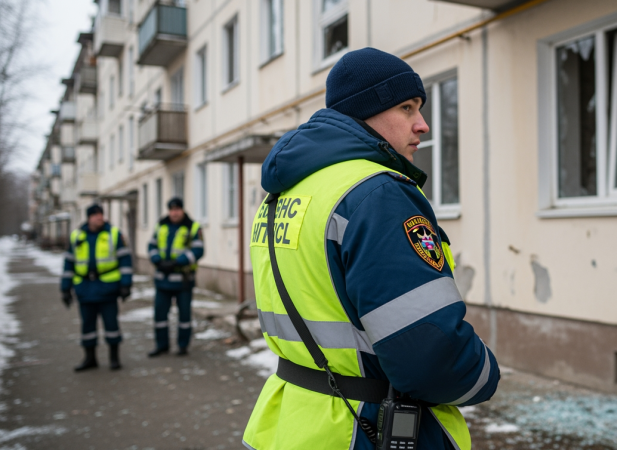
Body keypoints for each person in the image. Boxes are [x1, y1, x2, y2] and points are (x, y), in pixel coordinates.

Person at [243, 48, 499, 450]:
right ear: (365, 113)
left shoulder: (283, 196)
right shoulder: (377, 193)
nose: (423, 125)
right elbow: (427, 356)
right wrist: (484, 374)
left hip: (292, 421)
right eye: (407, 108)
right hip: (364, 427)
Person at [60, 204, 133, 371]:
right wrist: (65, 289)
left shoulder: (114, 234)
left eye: (101, 214)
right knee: (87, 326)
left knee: (111, 325)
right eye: (95, 215)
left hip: (108, 288)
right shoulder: (77, 236)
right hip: (85, 289)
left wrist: (126, 284)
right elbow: (68, 263)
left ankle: (114, 358)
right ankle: (90, 358)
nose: (99, 217)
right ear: (89, 217)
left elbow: (125, 260)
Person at [147, 197, 204, 357]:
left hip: (183, 281)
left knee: (184, 316)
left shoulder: (192, 227)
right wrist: (157, 260)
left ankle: (183, 346)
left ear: (182, 210)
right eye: (172, 210)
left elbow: (198, 250)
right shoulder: (161, 225)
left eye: (177, 209)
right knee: (160, 316)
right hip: (162, 280)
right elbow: (151, 246)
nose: (174, 212)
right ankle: (161, 345)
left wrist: (177, 262)